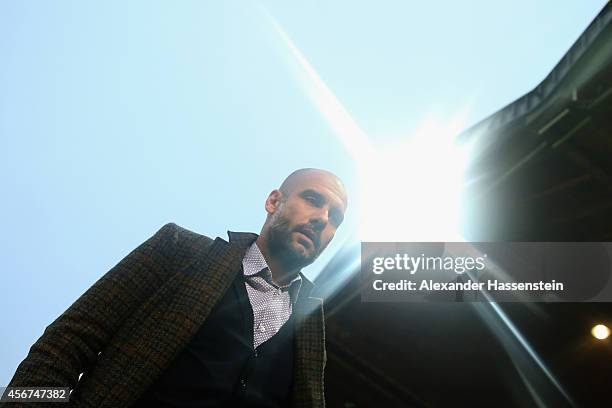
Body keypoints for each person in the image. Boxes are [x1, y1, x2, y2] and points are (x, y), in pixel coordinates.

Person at [6, 168, 348, 408]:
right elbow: (65, 344)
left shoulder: (311, 327)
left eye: (335, 217)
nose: (322, 218)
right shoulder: (180, 250)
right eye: (312, 199)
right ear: (274, 201)